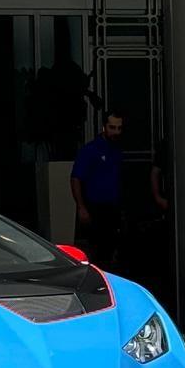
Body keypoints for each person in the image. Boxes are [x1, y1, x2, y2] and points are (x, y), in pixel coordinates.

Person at [71, 111, 125, 269]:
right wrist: (81, 207)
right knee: (96, 251)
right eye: (112, 127)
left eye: (119, 128)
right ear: (104, 127)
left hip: (112, 207)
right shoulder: (91, 149)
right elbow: (76, 178)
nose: (116, 132)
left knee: (110, 250)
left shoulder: (117, 150)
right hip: (94, 207)